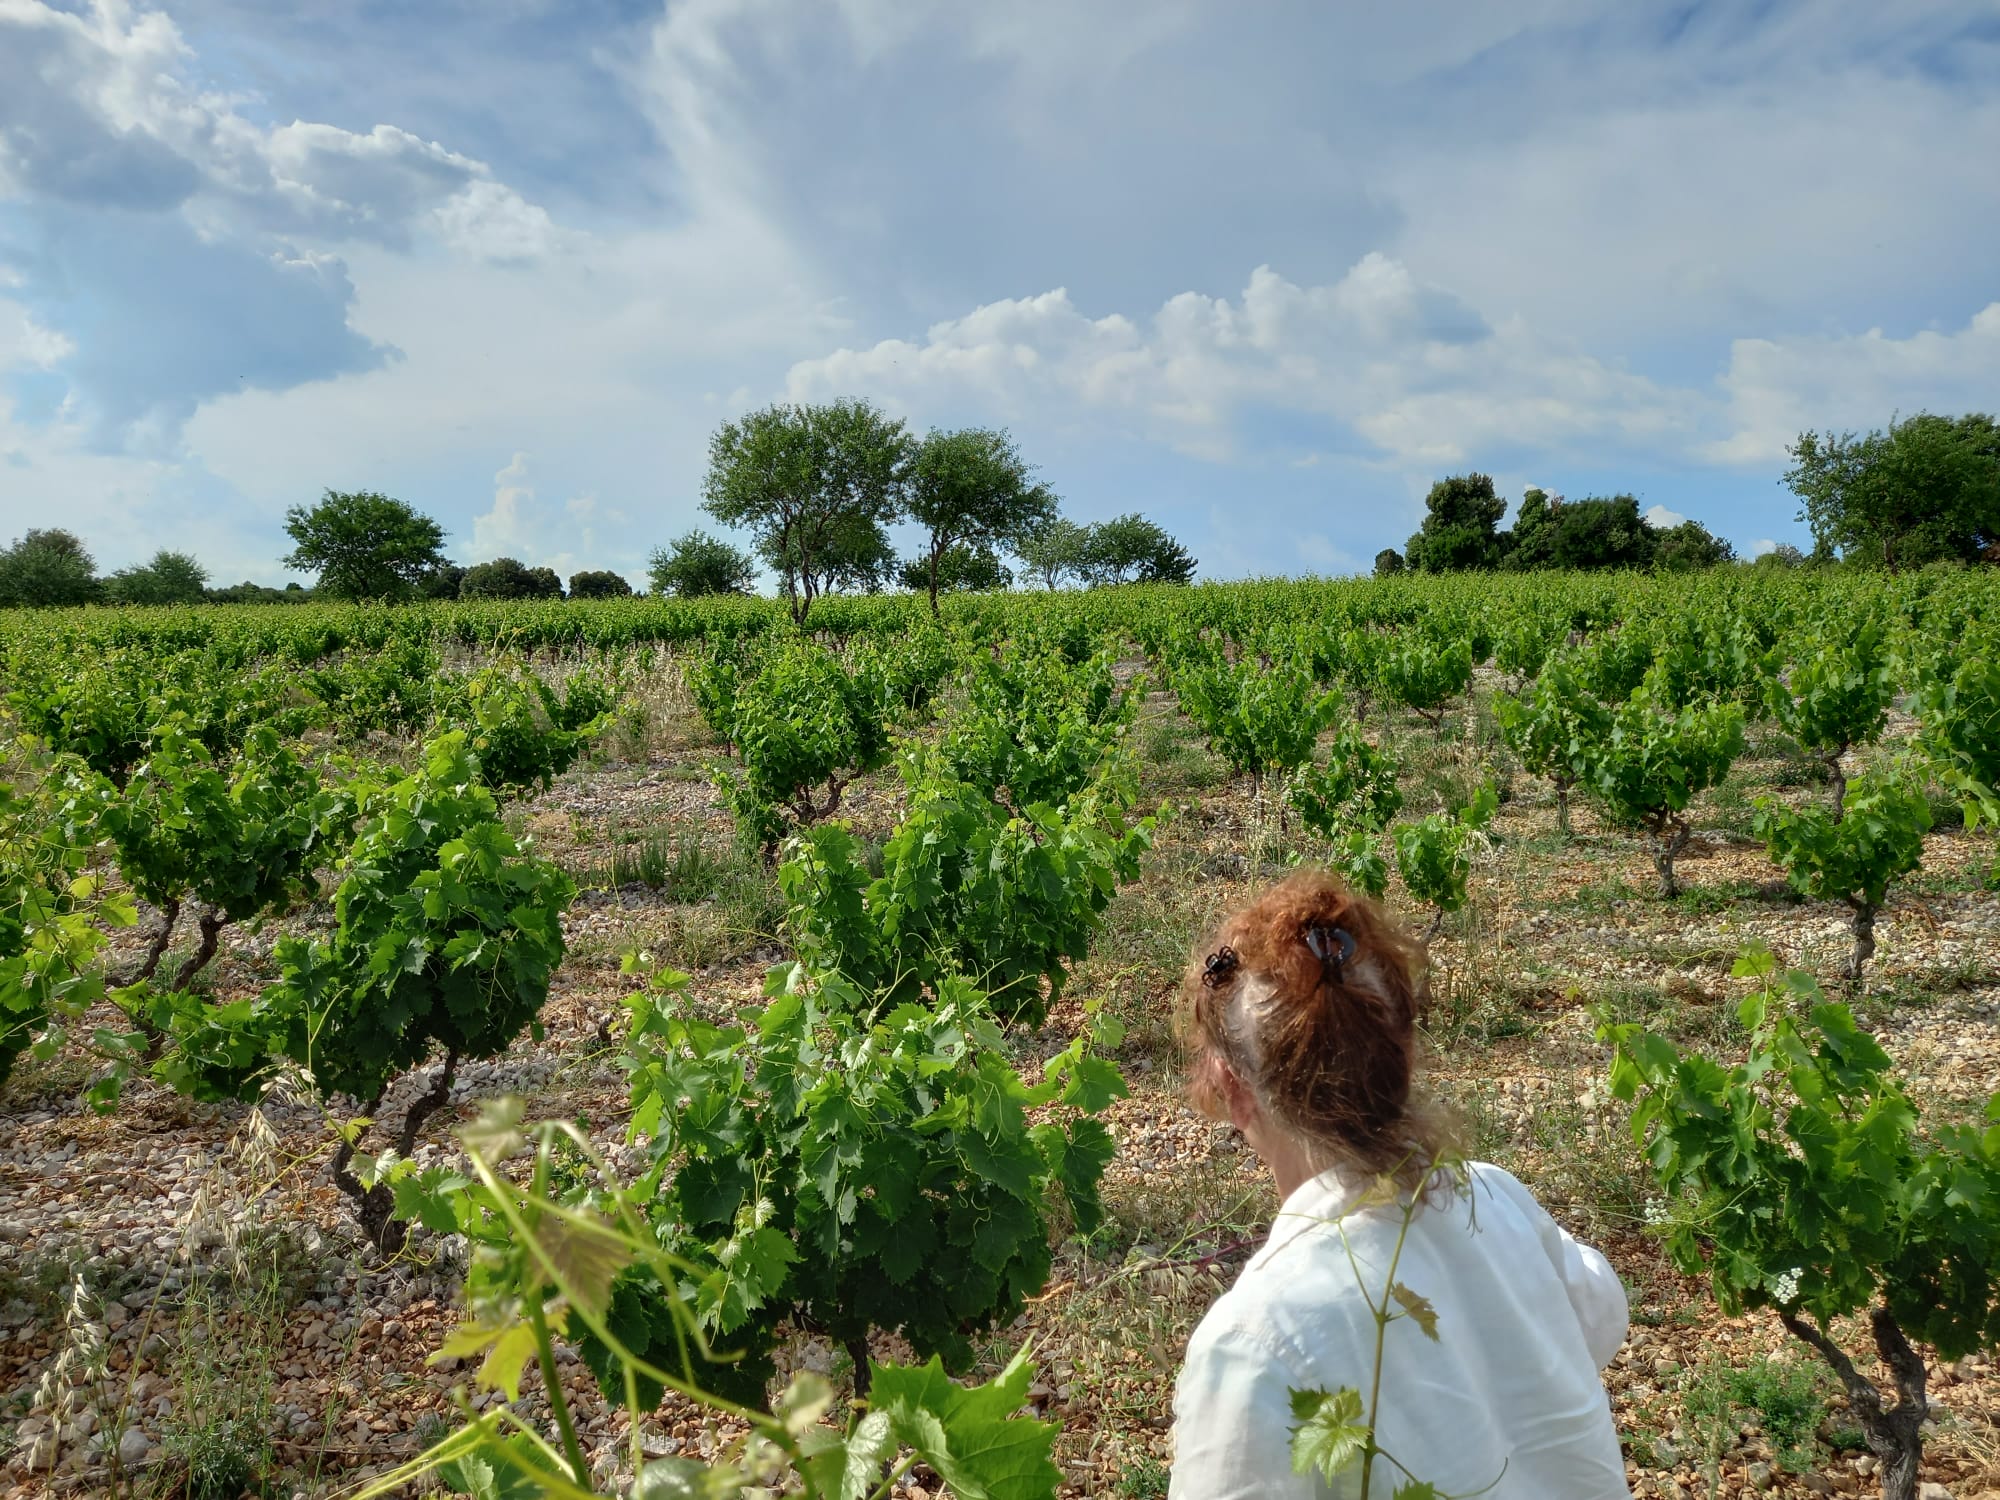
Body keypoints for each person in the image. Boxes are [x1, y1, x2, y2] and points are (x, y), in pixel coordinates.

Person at [1169, 870, 1632, 1499]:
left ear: (1230, 1088)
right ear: (1404, 1054)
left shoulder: (1254, 1344)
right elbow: (1600, 1313)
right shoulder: (1495, 1198)